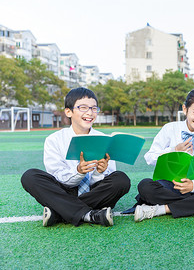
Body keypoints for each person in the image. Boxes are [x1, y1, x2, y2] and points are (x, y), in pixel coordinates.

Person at [21, 87, 131, 227]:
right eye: (83, 107)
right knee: (30, 176)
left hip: (94, 192)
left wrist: (99, 173)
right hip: (65, 190)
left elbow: (107, 179)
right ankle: (90, 215)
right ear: (68, 111)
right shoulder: (54, 139)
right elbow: (58, 176)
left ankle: (60, 211)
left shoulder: (104, 139)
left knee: (121, 180)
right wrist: (78, 172)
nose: (90, 113)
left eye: (93, 108)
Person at [133, 89, 194, 222]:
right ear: (185, 109)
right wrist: (173, 150)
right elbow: (149, 157)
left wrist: (193, 185)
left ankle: (161, 209)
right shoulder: (169, 128)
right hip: (170, 186)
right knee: (145, 186)